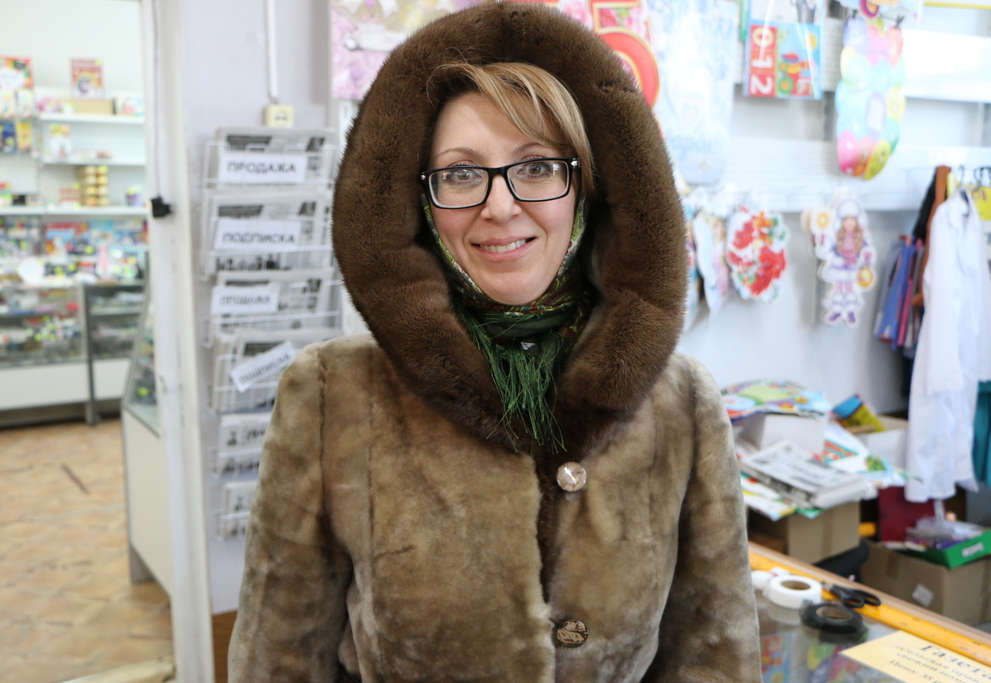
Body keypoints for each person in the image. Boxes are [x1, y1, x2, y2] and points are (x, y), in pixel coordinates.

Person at [228, 4, 761, 682]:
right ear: (421, 202)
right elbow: (279, 656)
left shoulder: (681, 403)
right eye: (460, 174)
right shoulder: (335, 394)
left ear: (585, 188)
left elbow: (715, 656)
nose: (500, 206)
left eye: (537, 166)